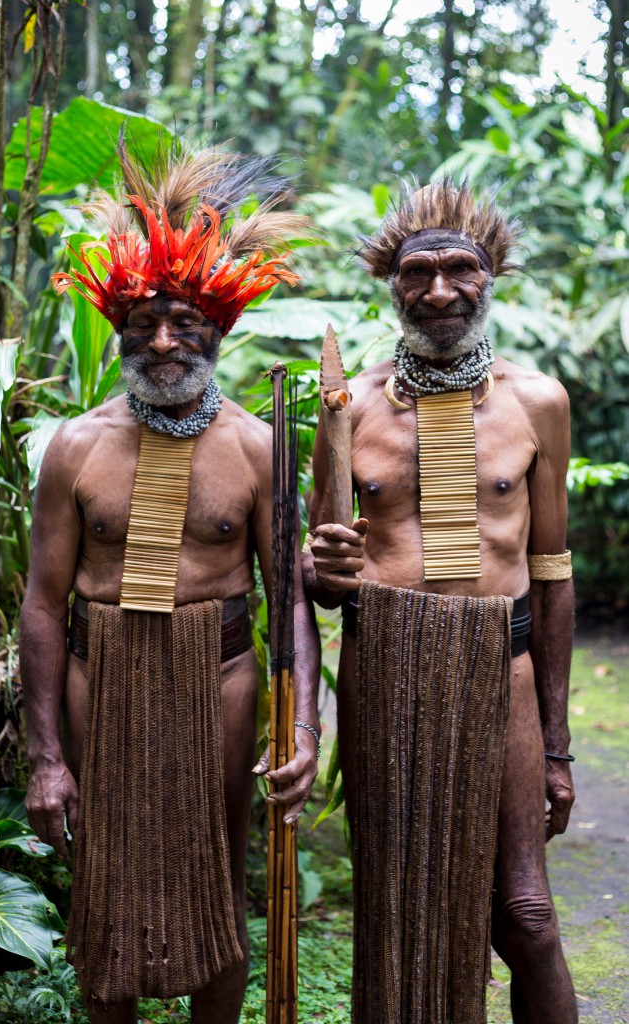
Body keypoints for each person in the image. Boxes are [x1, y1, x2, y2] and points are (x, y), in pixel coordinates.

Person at [20, 141, 320, 1024]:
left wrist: (301, 722)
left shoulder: (258, 447)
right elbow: (42, 604)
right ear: (118, 329)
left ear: (217, 330)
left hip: (219, 681)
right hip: (98, 677)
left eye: (185, 320)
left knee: (216, 876)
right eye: (145, 320)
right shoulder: (75, 447)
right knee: (105, 883)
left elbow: (291, 595)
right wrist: (45, 759)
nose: (164, 339)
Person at [303, 179, 577, 1024]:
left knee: (525, 915)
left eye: (461, 269)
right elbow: (321, 571)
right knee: (398, 914)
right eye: (418, 273)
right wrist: (330, 567)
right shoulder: (348, 412)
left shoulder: (538, 403)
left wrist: (560, 746)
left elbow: (553, 573)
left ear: (491, 277)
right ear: (392, 282)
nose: (440, 291)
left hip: (505, 675)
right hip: (387, 673)